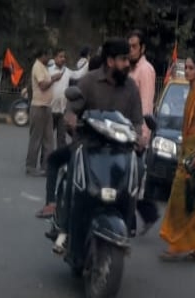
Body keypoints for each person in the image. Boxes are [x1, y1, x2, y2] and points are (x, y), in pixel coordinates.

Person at [36, 40, 144, 250]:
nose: (127, 64)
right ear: (111, 61)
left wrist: (140, 137)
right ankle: (64, 229)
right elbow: (70, 111)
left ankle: (128, 221)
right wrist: (71, 123)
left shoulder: (131, 87)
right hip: (88, 147)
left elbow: (138, 121)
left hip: (120, 151)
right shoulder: (88, 82)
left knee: (138, 168)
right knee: (73, 175)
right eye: (123, 60)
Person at [159, 56, 195, 262]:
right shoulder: (190, 91)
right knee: (194, 198)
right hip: (187, 148)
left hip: (194, 151)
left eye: (191, 68)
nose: (187, 71)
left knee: (179, 195)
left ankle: (176, 242)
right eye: (186, 68)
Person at [127, 30, 161, 233]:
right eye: (129, 46)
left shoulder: (145, 70)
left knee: (132, 180)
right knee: (130, 179)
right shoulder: (130, 69)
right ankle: (146, 216)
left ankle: (131, 223)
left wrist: (143, 137)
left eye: (134, 47)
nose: (131, 50)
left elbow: (146, 105)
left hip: (138, 135)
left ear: (142, 48)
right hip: (125, 132)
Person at [26, 48, 57, 176]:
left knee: (49, 139)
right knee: (36, 139)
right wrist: (54, 79)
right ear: (42, 55)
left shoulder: (44, 67)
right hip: (38, 107)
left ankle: (46, 167)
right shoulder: (37, 67)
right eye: (48, 56)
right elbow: (42, 86)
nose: (49, 58)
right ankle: (30, 166)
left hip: (47, 107)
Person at [50, 48, 88, 149]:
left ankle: (60, 162)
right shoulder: (49, 70)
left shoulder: (66, 71)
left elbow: (78, 74)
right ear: (54, 58)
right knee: (48, 138)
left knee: (61, 139)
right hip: (50, 110)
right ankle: (45, 162)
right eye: (60, 56)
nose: (63, 59)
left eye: (64, 57)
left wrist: (88, 62)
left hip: (62, 110)